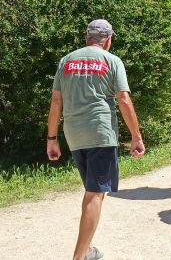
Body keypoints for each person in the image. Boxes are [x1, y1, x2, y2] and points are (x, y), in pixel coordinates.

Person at [47, 19, 146, 260]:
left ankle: (88, 250)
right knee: (94, 193)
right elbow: (123, 98)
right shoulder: (112, 61)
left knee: (96, 192)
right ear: (108, 40)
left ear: (87, 37)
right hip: (100, 133)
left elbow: (57, 101)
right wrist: (136, 136)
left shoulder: (66, 61)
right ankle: (78, 257)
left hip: (74, 134)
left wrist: (52, 138)